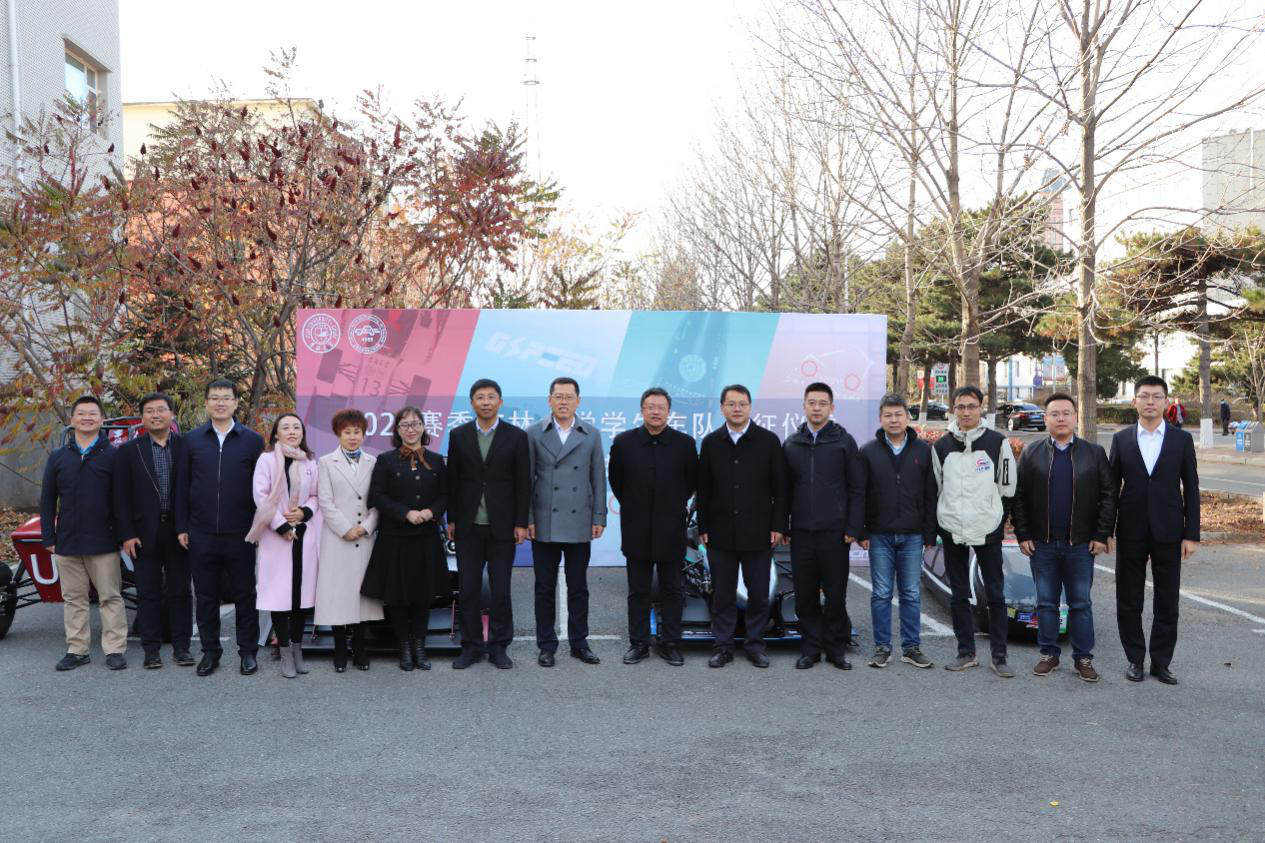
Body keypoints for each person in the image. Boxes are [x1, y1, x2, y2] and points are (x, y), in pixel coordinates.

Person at [1012, 393, 1117, 683]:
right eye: (1054, 414)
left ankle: (1083, 658)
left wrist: (1102, 534)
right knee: (1046, 603)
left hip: (1080, 545)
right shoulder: (1032, 453)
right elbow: (1018, 497)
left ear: (1075, 417)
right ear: (1046, 419)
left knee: (1080, 603)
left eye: (1066, 413)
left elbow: (1109, 496)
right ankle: (1049, 654)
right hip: (1042, 544)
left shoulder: (1093, 453)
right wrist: (1023, 533)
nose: (1061, 418)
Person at [1110, 376, 1200, 685]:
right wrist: (1105, 531)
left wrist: (1191, 534)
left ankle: (1161, 663)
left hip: (1169, 531)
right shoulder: (1121, 439)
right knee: (1128, 599)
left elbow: (1192, 488)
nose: (1150, 401)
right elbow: (1111, 488)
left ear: (1166, 402)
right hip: (1130, 529)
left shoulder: (1181, 440)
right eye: (1145, 396)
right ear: (1134, 401)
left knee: (1167, 601)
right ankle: (1135, 659)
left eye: (1157, 396)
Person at [696, 384, 789, 669]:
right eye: (731, 404)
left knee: (758, 594)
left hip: (759, 532)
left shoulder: (768, 441)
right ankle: (722, 646)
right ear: (722, 407)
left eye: (742, 404)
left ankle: (755, 645)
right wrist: (703, 526)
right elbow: (703, 489)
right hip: (720, 532)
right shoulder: (711, 443)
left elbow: (781, 489)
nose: (737, 409)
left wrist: (778, 525)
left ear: (750, 407)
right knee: (722, 594)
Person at [178, 378, 265, 677]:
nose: (220, 403)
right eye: (214, 398)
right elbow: (182, 486)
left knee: (245, 595)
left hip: (241, 533)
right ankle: (210, 653)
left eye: (226, 398)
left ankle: (248, 652)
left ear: (236, 403)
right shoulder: (191, 440)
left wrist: (259, 527)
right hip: (201, 532)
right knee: (205, 597)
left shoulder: (253, 441)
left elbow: (262, 488)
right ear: (206, 403)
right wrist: (182, 526)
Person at [930, 385, 1018, 677]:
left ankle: (999, 656)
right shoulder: (941, 447)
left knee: (995, 593)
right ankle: (965, 652)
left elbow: (1007, 487)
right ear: (953, 409)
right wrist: (939, 524)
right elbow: (936, 488)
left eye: (971, 406)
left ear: (981, 408)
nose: (966, 412)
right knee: (959, 594)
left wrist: (998, 519)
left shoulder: (997, 442)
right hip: (952, 527)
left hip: (987, 527)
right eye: (960, 407)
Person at [609, 387, 698, 667]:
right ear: (642, 410)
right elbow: (617, 481)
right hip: (636, 527)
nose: (655, 412)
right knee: (638, 590)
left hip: (671, 528)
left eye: (661, 407)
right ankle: (639, 643)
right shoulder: (624, 443)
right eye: (650, 407)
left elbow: (691, 482)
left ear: (669, 412)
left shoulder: (684, 444)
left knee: (672, 589)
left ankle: (670, 642)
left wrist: (671, 505)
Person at [446, 379, 530, 670]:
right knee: (468, 589)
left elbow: (523, 482)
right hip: (468, 526)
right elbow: (453, 481)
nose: (485, 402)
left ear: (500, 402)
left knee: (500, 591)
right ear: (471, 403)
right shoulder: (458, 435)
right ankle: (470, 646)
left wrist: (521, 522)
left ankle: (498, 646)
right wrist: (452, 519)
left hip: (502, 527)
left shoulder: (516, 436)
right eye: (480, 397)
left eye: (491, 397)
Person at [40, 395, 126, 671]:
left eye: (92, 414)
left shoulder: (114, 456)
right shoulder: (58, 457)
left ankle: (114, 649)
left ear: (102, 420)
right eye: (81, 413)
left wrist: (123, 535)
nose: (87, 418)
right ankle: (77, 650)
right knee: (74, 599)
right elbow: (47, 500)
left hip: (104, 540)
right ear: (72, 419)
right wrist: (48, 537)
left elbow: (122, 501)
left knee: (110, 596)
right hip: (67, 540)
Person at [526, 377, 607, 668]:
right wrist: (528, 518)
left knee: (578, 587)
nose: (563, 402)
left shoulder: (591, 434)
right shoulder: (534, 433)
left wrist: (599, 516)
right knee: (544, 588)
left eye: (569, 397)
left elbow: (598, 478)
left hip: (579, 520)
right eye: (558, 396)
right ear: (549, 400)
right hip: (544, 521)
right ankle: (546, 646)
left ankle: (579, 643)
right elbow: (527, 480)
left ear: (578, 401)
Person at [782, 382, 864, 671]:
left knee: (835, 595)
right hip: (802, 533)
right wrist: (783, 526)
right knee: (805, 596)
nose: (816, 408)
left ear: (832, 407)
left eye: (822, 403)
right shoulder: (792, 444)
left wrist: (854, 527)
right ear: (804, 406)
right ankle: (811, 649)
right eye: (811, 403)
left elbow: (856, 488)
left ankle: (836, 649)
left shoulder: (844, 442)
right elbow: (784, 491)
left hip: (835, 533)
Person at [363, 407, 447, 671]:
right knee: (397, 596)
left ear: (423, 427)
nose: (411, 429)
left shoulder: (437, 460)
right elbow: (376, 496)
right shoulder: (386, 460)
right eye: (405, 425)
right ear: (397, 430)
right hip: (395, 537)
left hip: (426, 537)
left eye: (415, 424)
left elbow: (446, 495)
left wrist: (431, 511)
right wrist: (405, 513)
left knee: (423, 595)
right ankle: (404, 648)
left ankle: (420, 646)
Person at [856, 393, 937, 671]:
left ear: (907, 417)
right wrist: (861, 531)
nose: (893, 420)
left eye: (898, 414)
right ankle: (882, 648)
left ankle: (911, 648)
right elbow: (860, 494)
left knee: (911, 593)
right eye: (888, 415)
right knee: (881, 593)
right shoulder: (868, 452)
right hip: (879, 535)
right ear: (880, 419)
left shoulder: (923, 451)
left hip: (913, 535)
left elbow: (930, 495)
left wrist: (929, 534)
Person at [113, 393, 193, 670]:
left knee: (180, 590)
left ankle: (182, 647)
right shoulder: (128, 451)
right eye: (149, 411)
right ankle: (151, 650)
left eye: (161, 410)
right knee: (147, 592)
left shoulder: (186, 447)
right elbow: (120, 497)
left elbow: (193, 491)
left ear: (172, 414)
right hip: (142, 533)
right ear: (142, 417)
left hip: (179, 531)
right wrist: (126, 534)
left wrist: (188, 527)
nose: (156, 415)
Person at [249, 413, 322, 679]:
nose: (292, 431)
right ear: (276, 433)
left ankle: (298, 650)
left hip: (303, 535)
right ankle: (285, 654)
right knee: (280, 598)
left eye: (296, 427)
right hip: (276, 537)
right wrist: (281, 525)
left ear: (303, 433)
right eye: (286, 427)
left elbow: (316, 495)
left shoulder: (309, 462)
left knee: (301, 599)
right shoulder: (267, 460)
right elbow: (261, 496)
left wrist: (304, 512)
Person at [315, 409, 385, 672]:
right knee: (337, 594)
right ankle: (340, 650)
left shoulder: (373, 462)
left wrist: (366, 527)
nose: (353, 437)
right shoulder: (326, 462)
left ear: (364, 434)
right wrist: (345, 529)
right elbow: (325, 501)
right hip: (337, 537)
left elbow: (377, 499)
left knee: (361, 595)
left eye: (357, 432)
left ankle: (360, 648)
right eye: (347, 432)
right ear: (338, 434)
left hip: (365, 537)